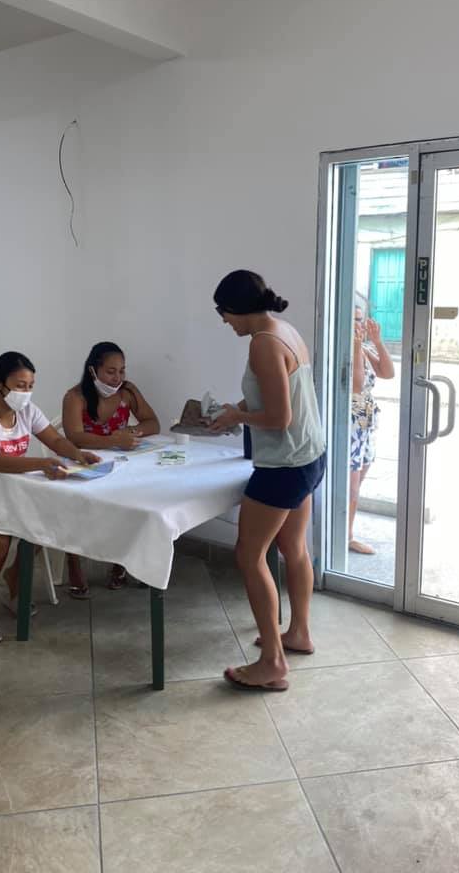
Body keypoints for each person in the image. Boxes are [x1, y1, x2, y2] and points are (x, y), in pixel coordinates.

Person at [210, 270, 326, 692]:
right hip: (309, 455)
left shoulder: (262, 343)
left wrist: (240, 416)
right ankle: (298, 633)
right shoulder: (283, 330)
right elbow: (276, 394)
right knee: (293, 548)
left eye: (224, 314)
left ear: (237, 308)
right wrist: (236, 411)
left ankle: (273, 662)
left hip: (283, 466)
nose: (225, 322)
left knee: (249, 554)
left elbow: (279, 417)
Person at [0, 351, 99, 644]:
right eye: (20, 385)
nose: (26, 392)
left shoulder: (27, 411)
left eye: (30, 385)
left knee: (49, 520)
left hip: (4, 494)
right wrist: (42, 464)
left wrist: (77, 454)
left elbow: (55, 440)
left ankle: (14, 577)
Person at [62, 341, 160, 594]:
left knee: (135, 502)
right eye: (110, 371)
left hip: (120, 464)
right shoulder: (75, 397)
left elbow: (153, 423)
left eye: (122, 371)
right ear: (93, 370)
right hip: (83, 462)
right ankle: (73, 562)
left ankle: (122, 562)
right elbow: (75, 437)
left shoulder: (128, 392)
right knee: (73, 508)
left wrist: (132, 431)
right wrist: (114, 440)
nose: (117, 378)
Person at [349, 303, 395, 555]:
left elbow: (388, 372)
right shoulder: (345, 349)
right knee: (351, 484)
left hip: (365, 421)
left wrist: (377, 341)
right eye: (353, 319)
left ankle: (347, 532)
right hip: (350, 422)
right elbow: (356, 386)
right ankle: (346, 536)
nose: (358, 324)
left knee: (359, 479)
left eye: (360, 319)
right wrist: (356, 347)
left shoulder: (364, 349)